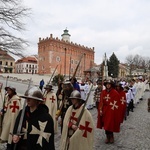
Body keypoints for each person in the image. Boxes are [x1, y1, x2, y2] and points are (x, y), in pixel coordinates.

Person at [97, 80, 122, 144]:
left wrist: (113, 110)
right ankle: (107, 136)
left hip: (111, 110)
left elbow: (117, 103)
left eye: (109, 84)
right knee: (105, 124)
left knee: (109, 124)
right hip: (104, 110)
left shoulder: (115, 93)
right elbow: (101, 102)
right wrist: (100, 109)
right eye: (107, 84)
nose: (108, 85)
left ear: (111, 85)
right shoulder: (103, 92)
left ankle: (111, 136)